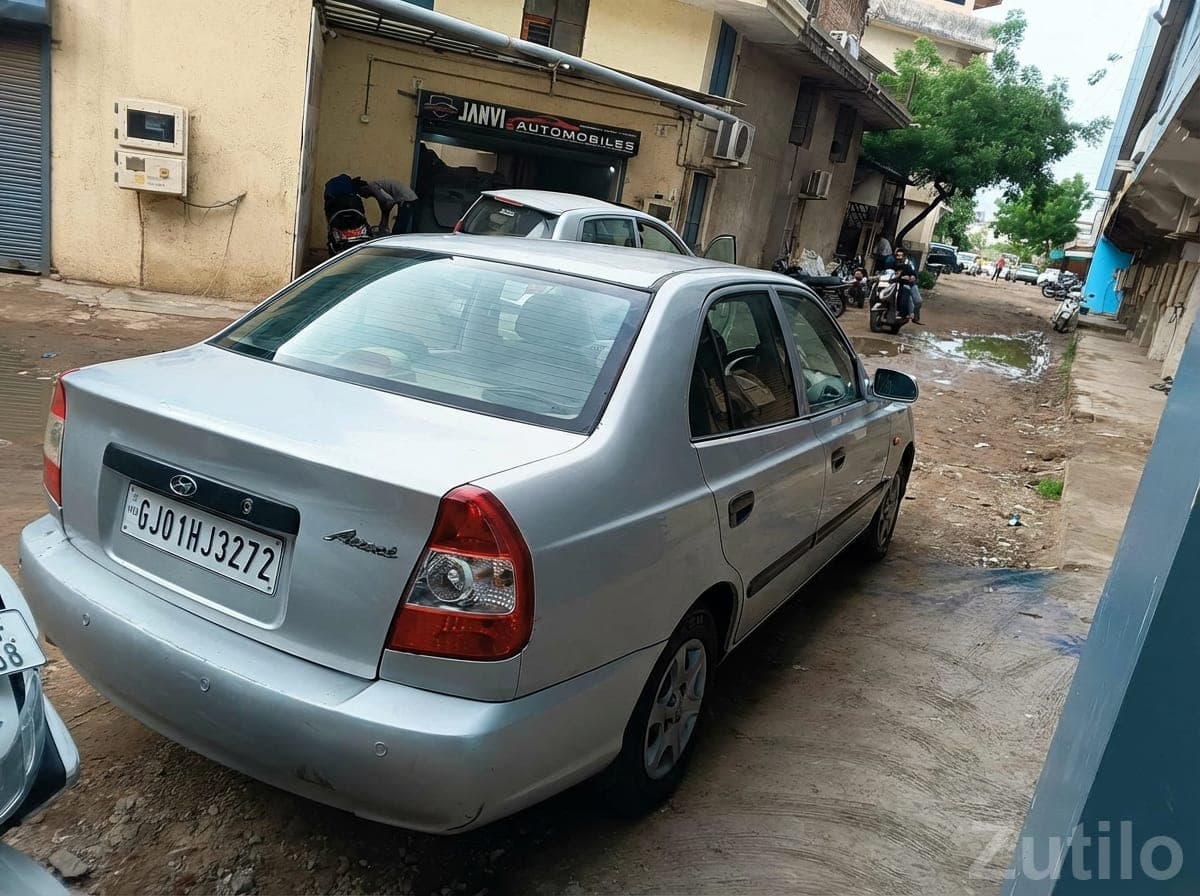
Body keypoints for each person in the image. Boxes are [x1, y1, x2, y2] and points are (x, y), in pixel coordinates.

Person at [893, 248, 918, 322]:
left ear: (904, 256)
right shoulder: (892, 262)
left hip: (908, 284)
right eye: (897, 255)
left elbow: (913, 274)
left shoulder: (909, 265)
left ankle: (911, 314)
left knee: (917, 300)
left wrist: (912, 277)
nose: (899, 257)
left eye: (901, 256)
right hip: (894, 283)